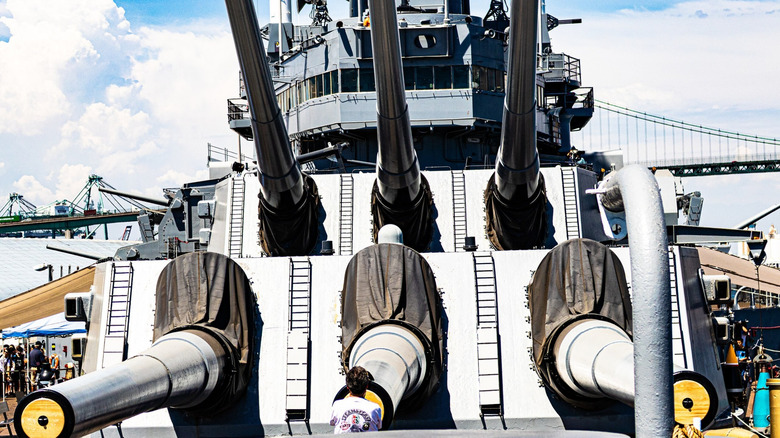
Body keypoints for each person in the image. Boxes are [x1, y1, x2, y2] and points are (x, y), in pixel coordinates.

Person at [329, 366, 382, 433]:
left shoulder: (337, 405)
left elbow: (332, 423)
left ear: (347, 387)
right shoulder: (375, 408)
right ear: (367, 386)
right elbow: (379, 426)